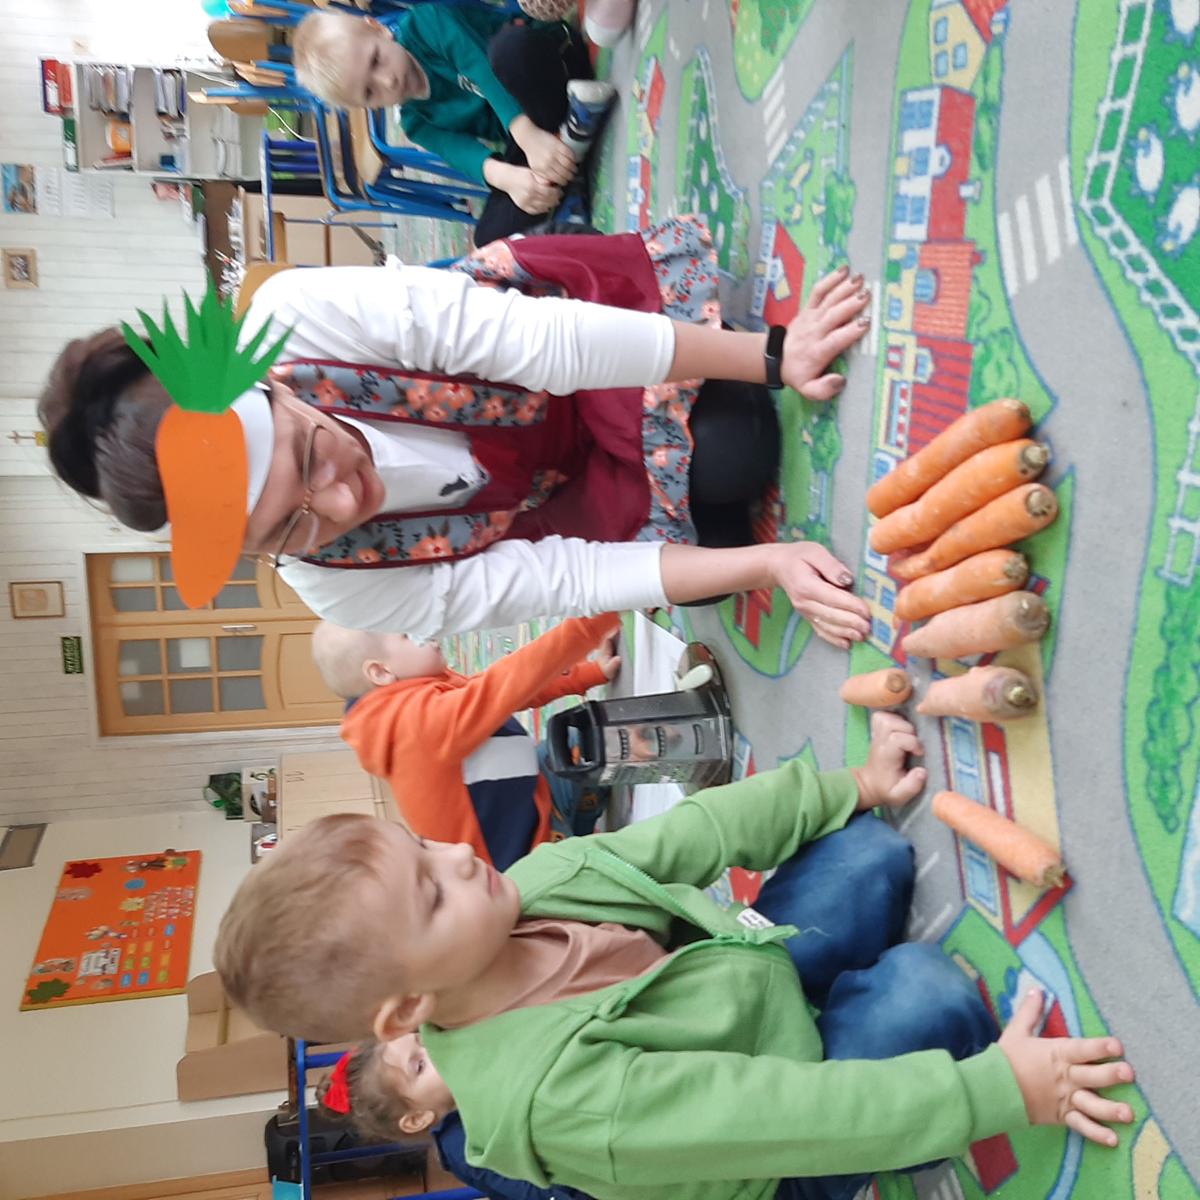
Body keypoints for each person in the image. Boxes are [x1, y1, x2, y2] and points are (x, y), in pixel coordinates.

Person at [213, 713, 1135, 1200]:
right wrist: (999, 1093)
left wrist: (848, 784)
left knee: (866, 849)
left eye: (425, 847)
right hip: (770, 1153)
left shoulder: (529, 887)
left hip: (743, 979)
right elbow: (781, 1114)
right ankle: (902, 1107)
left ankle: (852, 1010)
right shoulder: (559, 1102)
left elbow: (693, 834)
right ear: (408, 1011)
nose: (458, 855)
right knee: (925, 995)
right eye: (431, 893)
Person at [40, 220, 875, 646]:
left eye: (308, 457)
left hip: (572, 375)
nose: (342, 502)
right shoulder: (338, 587)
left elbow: (549, 345)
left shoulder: (296, 319)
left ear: (272, 389)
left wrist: (775, 356)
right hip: (553, 498)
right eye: (290, 528)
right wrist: (769, 563)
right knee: (721, 547)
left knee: (736, 450)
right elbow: (559, 578)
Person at [312, 613, 621, 868]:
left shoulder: (422, 689)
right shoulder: (414, 725)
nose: (427, 632)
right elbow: (508, 683)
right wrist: (592, 623)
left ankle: (580, 827)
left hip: (536, 799)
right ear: (381, 672)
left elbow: (504, 695)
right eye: (407, 635)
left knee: (581, 738)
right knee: (602, 866)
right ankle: (582, 848)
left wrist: (589, 673)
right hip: (525, 857)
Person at [292, 7, 611, 242]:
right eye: (369, 92)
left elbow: (480, 66)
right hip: (538, 133)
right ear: (368, 107)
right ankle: (571, 146)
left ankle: (566, 162)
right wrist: (513, 181)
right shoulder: (415, 123)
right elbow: (470, 158)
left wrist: (526, 135)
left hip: (551, 68)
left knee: (509, 51)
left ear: (378, 29)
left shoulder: (426, 23)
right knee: (488, 237)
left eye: (376, 60)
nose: (387, 81)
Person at [317, 1035, 593, 1200]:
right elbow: (542, 1194)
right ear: (416, 1119)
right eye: (419, 1065)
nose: (434, 1050)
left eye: (422, 1040)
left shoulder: (474, 1077)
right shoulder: (460, 1146)